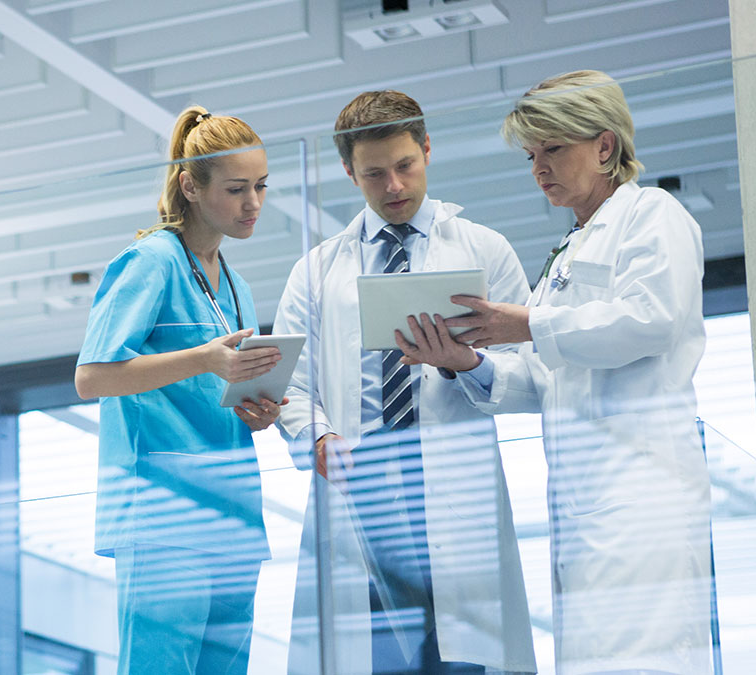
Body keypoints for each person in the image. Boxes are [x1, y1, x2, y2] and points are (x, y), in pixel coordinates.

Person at [400, 70, 712, 674]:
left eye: (554, 149)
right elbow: (547, 380)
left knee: (643, 660)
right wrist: (468, 360)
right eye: (531, 154)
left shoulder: (652, 215)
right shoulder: (568, 253)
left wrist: (531, 324)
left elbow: (652, 319)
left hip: (643, 496)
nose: (539, 167)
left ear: (604, 146)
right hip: (582, 503)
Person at [273, 90, 536, 674]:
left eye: (404, 166)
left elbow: (534, 375)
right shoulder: (317, 270)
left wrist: (468, 363)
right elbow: (290, 383)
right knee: (375, 655)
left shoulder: (484, 250)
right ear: (347, 172)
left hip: (447, 481)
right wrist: (317, 438)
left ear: (427, 149)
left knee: (459, 659)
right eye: (373, 174)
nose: (393, 186)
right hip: (362, 485)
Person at [74, 106, 286, 675]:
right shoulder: (150, 261)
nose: (254, 204)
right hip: (163, 512)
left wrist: (257, 406)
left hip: (234, 510)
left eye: (261, 187)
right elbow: (92, 376)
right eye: (237, 189)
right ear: (191, 186)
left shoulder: (236, 283)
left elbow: (213, 385)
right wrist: (204, 359)